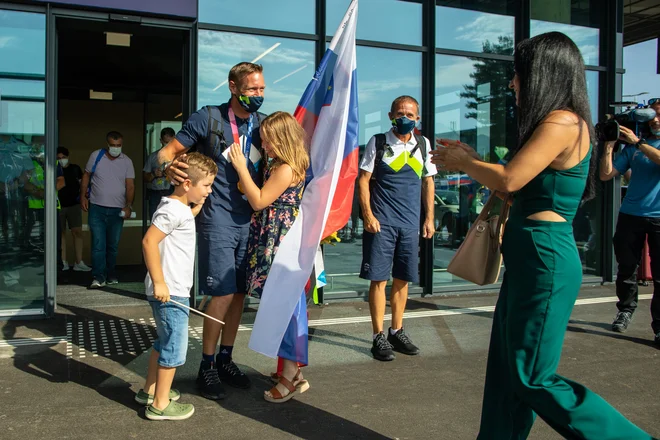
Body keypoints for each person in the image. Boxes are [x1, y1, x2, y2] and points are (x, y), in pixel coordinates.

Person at [430, 32, 652, 439]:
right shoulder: (560, 122)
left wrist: (466, 162)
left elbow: (512, 178)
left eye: (518, 74)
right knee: (505, 369)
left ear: (542, 74)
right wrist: (474, 161)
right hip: (531, 257)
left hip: (544, 259)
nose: (513, 83)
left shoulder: (562, 121)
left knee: (532, 375)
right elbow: (513, 185)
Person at [158, 62, 266, 399]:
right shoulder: (208, 118)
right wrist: (168, 167)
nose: (259, 96)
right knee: (220, 293)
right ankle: (206, 365)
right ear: (233, 87)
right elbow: (167, 153)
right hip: (216, 219)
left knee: (238, 295)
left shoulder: (263, 125)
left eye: (262, 89)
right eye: (252, 90)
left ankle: (225, 358)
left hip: (249, 220)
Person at [229, 111, 310, 403]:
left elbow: (260, 199)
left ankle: (290, 376)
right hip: (275, 238)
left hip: (278, 242)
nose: (264, 145)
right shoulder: (282, 164)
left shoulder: (285, 168)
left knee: (283, 307)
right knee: (282, 305)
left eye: (267, 140)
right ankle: (292, 371)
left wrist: (241, 169)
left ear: (282, 139)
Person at [138, 152, 216, 420]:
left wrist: (195, 209)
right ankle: (160, 404)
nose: (209, 190)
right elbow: (149, 241)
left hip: (171, 291)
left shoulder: (179, 209)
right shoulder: (172, 210)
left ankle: (149, 391)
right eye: (205, 185)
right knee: (174, 346)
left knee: (163, 342)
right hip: (170, 293)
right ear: (186, 184)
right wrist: (160, 283)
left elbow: (182, 219)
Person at [357, 95, 436, 361]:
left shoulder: (423, 145)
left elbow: (428, 183)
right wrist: (368, 215)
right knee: (379, 279)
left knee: (403, 279)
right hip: (382, 223)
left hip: (410, 224)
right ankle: (378, 336)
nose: (405, 118)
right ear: (391, 116)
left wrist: (429, 219)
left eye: (410, 115)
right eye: (400, 114)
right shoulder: (378, 142)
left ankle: (397, 330)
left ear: (418, 118)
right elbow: (363, 180)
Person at [600, 99, 660, 345]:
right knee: (626, 268)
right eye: (653, 115)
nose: (655, 119)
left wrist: (638, 142)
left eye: (659, 115)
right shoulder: (632, 150)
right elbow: (606, 174)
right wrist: (608, 144)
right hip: (630, 215)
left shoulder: (640, 144)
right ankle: (625, 310)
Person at [80, 131, 135, 289]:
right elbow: (86, 176)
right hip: (96, 208)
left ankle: (110, 274)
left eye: (119, 145)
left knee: (112, 245)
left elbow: (130, 185)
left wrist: (129, 205)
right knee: (98, 244)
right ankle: (98, 277)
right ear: (107, 144)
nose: (116, 148)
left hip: (117, 210)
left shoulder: (127, 162)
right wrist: (83, 196)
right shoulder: (96, 156)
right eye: (113, 145)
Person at [57, 147, 91, 271]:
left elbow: (83, 184)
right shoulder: (55, 170)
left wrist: (85, 197)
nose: (61, 160)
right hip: (59, 205)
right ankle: (63, 261)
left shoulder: (75, 169)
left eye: (63, 157)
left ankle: (78, 261)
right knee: (61, 234)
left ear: (68, 157)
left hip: (74, 205)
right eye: (58, 158)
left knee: (77, 232)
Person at [144, 128, 175, 220]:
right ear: (161, 141)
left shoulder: (179, 157)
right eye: (165, 142)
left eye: (170, 142)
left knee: (172, 221)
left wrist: (169, 173)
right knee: (154, 221)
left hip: (172, 193)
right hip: (155, 194)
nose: (168, 145)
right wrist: (154, 174)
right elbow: (144, 178)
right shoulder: (153, 157)